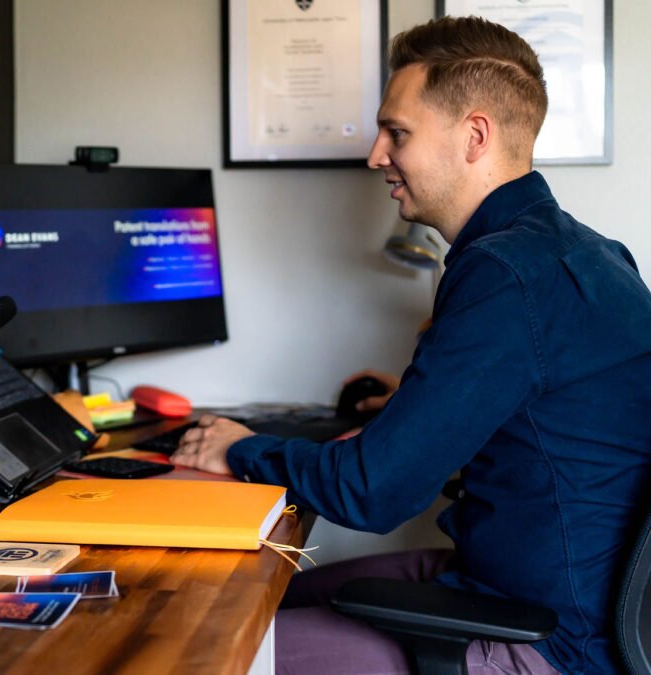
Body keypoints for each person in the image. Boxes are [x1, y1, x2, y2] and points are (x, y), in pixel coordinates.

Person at [171, 15, 651, 674]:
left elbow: (377, 491)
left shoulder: (505, 273)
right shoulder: (586, 251)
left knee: (209, 639)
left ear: (474, 136)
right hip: (531, 595)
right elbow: (560, 412)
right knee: (279, 588)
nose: (375, 155)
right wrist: (426, 405)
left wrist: (239, 448)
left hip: (546, 638)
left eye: (397, 133)